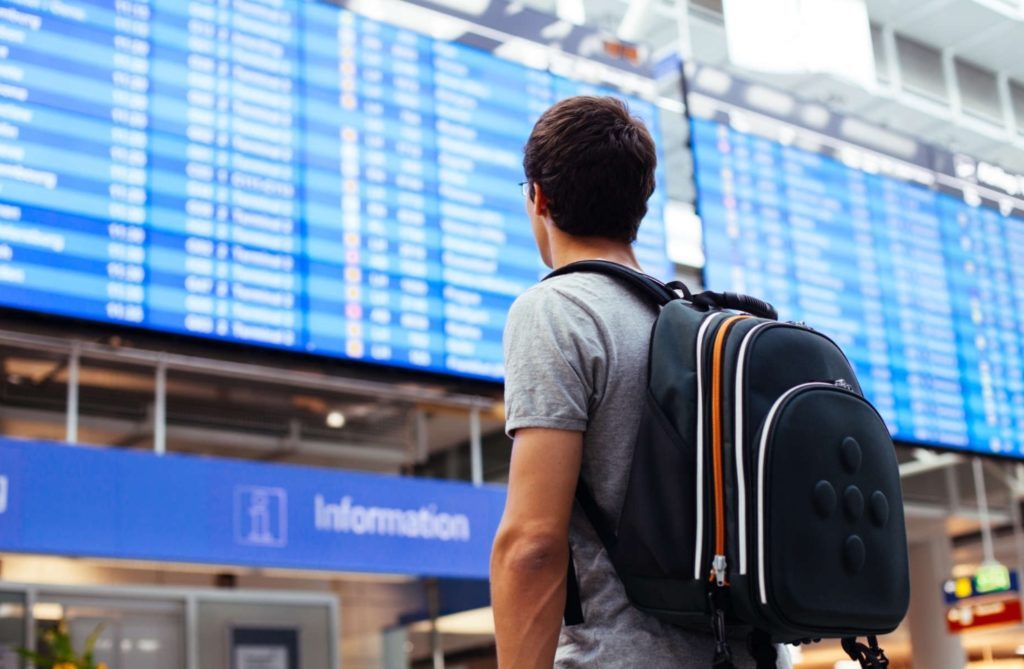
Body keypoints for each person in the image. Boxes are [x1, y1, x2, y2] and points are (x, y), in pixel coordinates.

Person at [490, 96, 790, 668]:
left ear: (538, 198)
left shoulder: (557, 310)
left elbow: (531, 543)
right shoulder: (700, 327)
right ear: (642, 205)